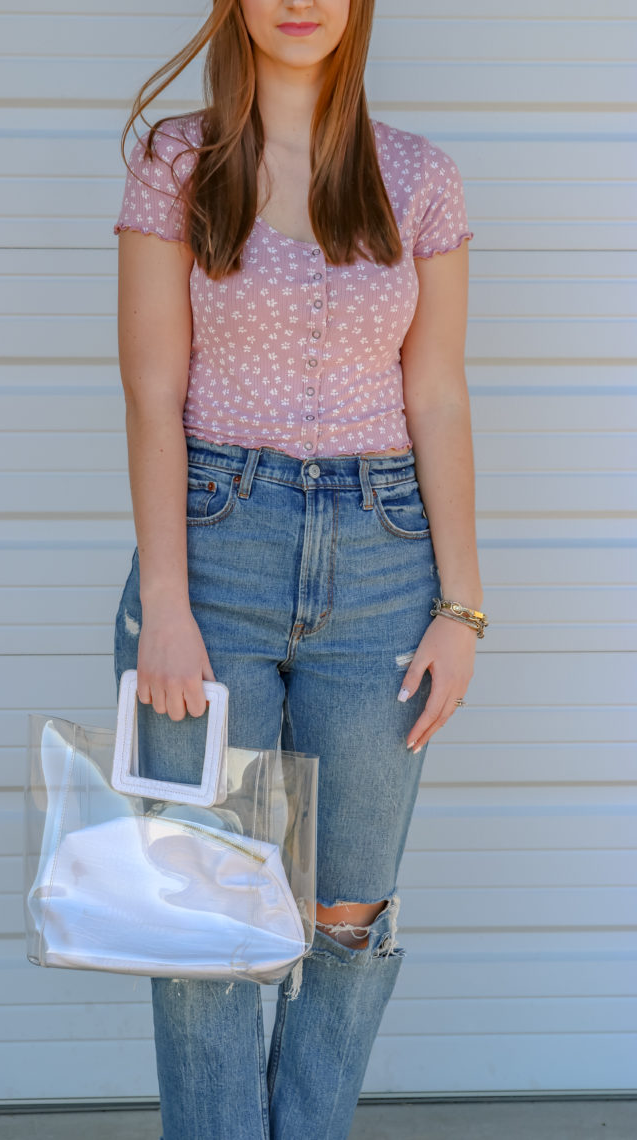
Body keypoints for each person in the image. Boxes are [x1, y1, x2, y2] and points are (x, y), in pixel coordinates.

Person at [112, 2, 487, 1137]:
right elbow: (151, 395)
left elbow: (436, 394)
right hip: (214, 553)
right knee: (204, 912)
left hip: (382, 565)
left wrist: (462, 604)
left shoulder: (416, 177)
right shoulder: (179, 161)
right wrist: (167, 607)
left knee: (346, 913)